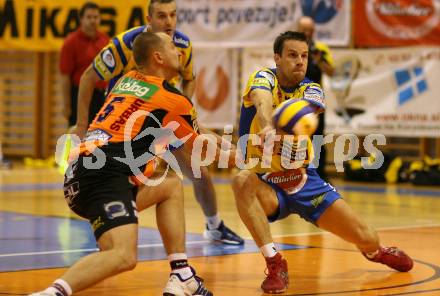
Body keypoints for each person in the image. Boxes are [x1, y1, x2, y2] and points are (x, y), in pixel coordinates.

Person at [30, 32, 215, 296]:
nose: (180, 52)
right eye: (173, 46)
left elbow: (189, 129)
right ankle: (51, 294)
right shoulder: (173, 99)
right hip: (104, 176)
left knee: (171, 185)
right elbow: (204, 150)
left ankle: (182, 274)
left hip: (80, 176)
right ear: (158, 56)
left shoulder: (128, 80)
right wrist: (254, 154)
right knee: (124, 256)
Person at [233, 31, 413, 294]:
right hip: (266, 183)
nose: (300, 61)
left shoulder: (312, 88)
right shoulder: (263, 78)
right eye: (292, 55)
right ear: (277, 58)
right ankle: (275, 263)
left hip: (305, 181)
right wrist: (268, 125)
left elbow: (306, 111)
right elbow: (262, 101)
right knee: (241, 180)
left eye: (304, 56)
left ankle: (375, 252)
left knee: (368, 237)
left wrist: (283, 130)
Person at [71, 0, 243, 245]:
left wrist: (183, 108)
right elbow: (89, 77)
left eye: (173, 15)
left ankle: (213, 226)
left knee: (198, 171)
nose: (169, 22)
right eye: (162, 16)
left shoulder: (182, 45)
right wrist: (80, 124)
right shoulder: (124, 44)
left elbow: (189, 78)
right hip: (125, 124)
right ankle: (109, 213)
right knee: (138, 176)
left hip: (161, 116)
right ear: (149, 18)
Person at [59, 2, 109, 127]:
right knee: (77, 137)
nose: (93, 20)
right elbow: (65, 76)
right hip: (79, 95)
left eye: (96, 17)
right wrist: (66, 105)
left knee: (99, 137)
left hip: (101, 96)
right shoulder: (71, 42)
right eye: (89, 17)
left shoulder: (105, 40)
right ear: (81, 19)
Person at [298, 16, 335, 181]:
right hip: (297, 100)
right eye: (304, 29)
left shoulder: (320, 48)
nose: (307, 33)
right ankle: (297, 174)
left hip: (316, 101)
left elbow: (331, 72)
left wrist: (319, 60)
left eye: (310, 30)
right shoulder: (293, 48)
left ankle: (320, 176)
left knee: (318, 138)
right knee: (297, 139)